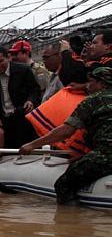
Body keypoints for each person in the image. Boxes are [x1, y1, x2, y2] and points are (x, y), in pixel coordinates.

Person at [20, 67, 112, 204]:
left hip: (107, 155)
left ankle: (73, 222)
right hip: (101, 151)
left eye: (91, 82)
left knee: (63, 185)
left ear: (102, 84)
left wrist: (32, 145)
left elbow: (66, 131)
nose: (88, 85)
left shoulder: (92, 101)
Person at [0, 46, 40, 148]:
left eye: (1, 61)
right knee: (10, 153)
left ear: (8, 58)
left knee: (28, 151)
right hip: (5, 122)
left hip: (24, 119)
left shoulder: (23, 70)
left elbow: (35, 90)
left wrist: (30, 101)